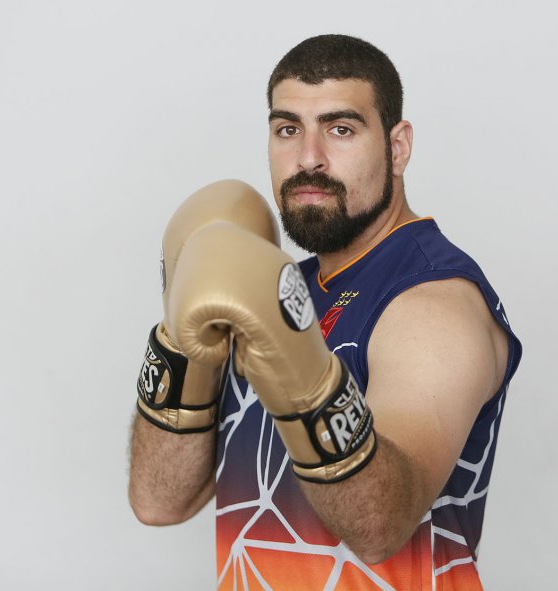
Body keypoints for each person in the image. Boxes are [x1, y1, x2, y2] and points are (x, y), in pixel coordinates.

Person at [129, 34, 522, 590]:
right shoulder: (279, 289)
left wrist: (303, 378)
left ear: (398, 147)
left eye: (340, 129)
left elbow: (379, 528)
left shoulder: (432, 302)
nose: (308, 157)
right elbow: (158, 500)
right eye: (288, 129)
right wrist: (179, 342)